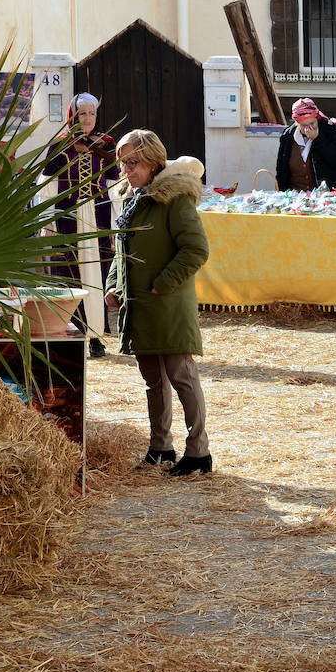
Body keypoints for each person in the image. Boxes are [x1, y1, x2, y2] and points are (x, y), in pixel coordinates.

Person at [104, 130, 213, 477]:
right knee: (153, 380)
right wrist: (114, 284)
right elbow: (122, 251)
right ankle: (160, 448)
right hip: (140, 306)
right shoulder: (132, 198)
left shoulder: (174, 200)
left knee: (181, 377)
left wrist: (161, 284)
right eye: (122, 162)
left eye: (132, 162)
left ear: (153, 162)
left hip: (165, 304)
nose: (126, 169)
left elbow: (196, 250)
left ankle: (198, 453)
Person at [44, 93, 118, 358]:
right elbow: (48, 187)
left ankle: (97, 335)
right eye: (83, 113)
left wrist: (115, 222)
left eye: (92, 113)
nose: (88, 119)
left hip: (98, 218)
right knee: (69, 275)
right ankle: (73, 333)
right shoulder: (60, 146)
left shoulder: (106, 144)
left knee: (97, 276)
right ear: (73, 116)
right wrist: (49, 224)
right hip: (68, 219)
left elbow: (114, 186)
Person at [275, 98, 336, 191]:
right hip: (295, 197)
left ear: (317, 118)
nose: (308, 128)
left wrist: (317, 139)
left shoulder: (331, 131)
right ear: (297, 123)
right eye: (303, 125)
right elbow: (281, 168)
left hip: (326, 196)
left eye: (312, 123)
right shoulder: (287, 136)